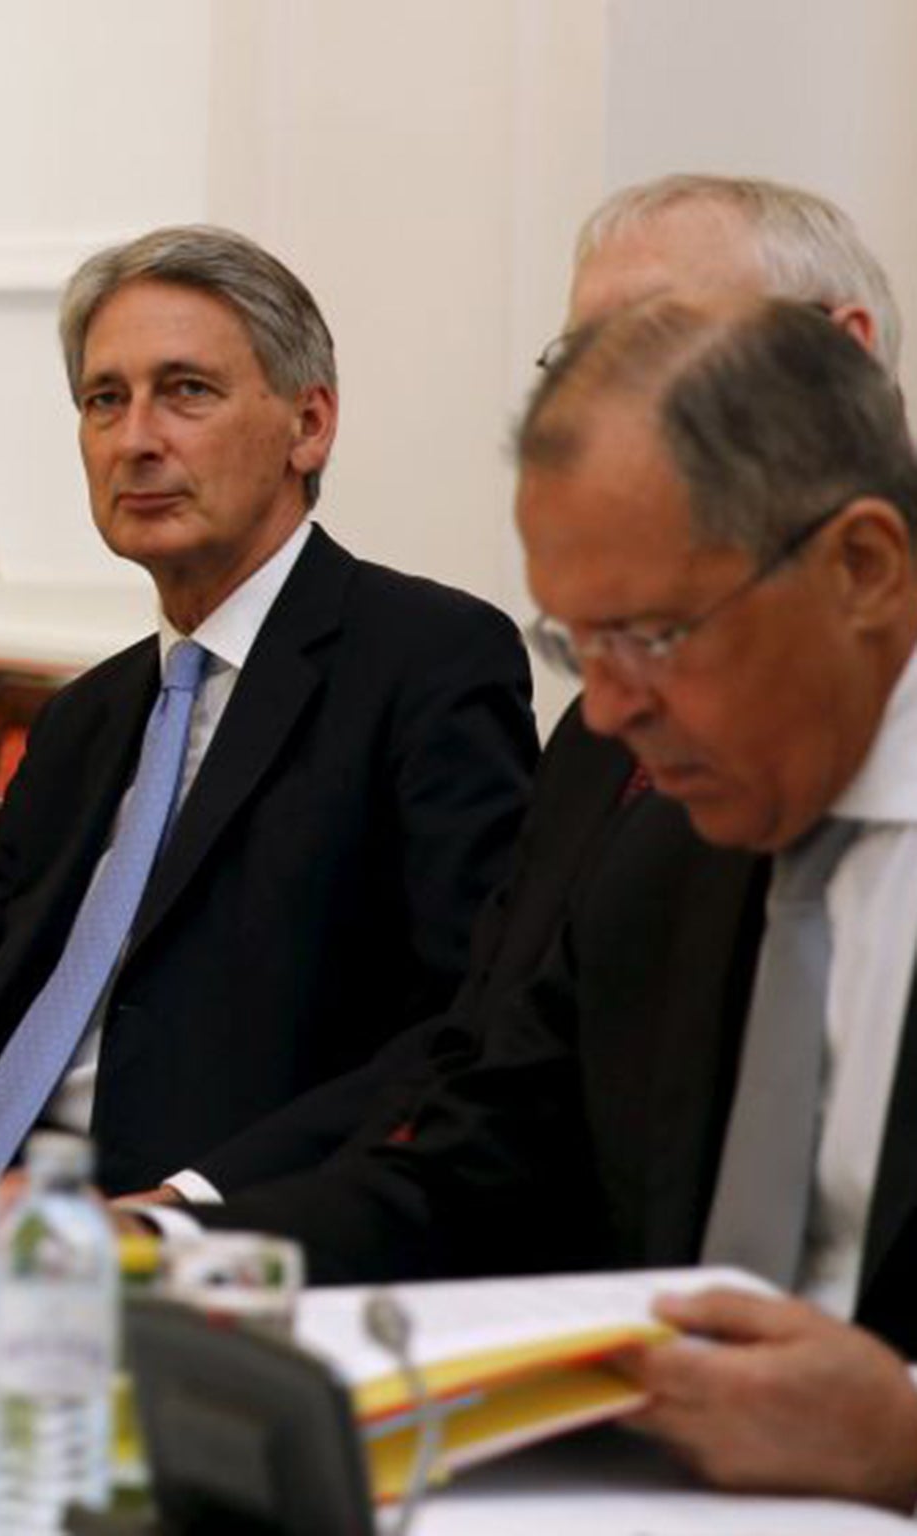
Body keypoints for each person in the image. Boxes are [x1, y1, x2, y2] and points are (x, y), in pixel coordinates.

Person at [213, 297, 917, 1510]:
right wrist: (164, 1262)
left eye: (647, 637)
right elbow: (472, 1178)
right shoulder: (661, 859)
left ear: (861, 567)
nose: (602, 712)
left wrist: (901, 1437)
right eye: (573, 644)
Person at [177, 175, 906, 1198]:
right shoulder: (627, 789)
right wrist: (169, 1250)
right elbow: (490, 1125)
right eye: (578, 366)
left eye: (652, 348)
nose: (608, 703)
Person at [0, 225, 537, 1195]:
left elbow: (457, 1032)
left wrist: (178, 1207)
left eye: (185, 392)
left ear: (308, 424)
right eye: (102, 401)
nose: (135, 440)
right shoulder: (82, 723)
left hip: (220, 1237)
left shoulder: (424, 663)